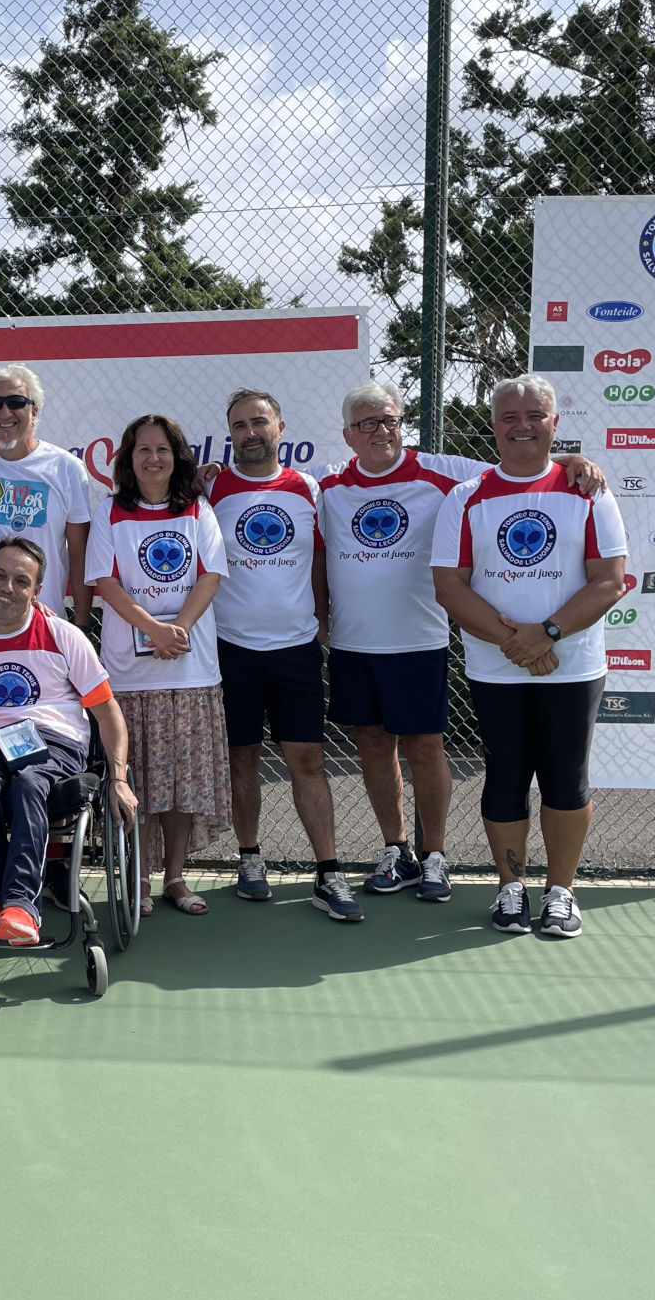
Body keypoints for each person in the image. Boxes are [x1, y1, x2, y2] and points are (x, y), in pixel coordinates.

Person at [320, 381, 604, 904]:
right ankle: (396, 850)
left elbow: (519, 464)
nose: (381, 432)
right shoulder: (327, 486)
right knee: (374, 749)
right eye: (367, 424)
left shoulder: (445, 472)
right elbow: (267, 486)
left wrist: (572, 460)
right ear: (348, 435)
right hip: (354, 645)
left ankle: (435, 857)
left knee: (426, 750)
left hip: (419, 641)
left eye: (389, 420)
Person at [430, 373, 627, 940]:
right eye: (509, 417)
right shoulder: (465, 498)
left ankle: (560, 893)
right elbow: (451, 586)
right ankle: (510, 888)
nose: (522, 427)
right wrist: (518, 643)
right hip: (497, 667)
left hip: (573, 663)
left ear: (554, 424)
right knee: (506, 777)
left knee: (567, 779)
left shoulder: (588, 491)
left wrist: (548, 633)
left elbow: (608, 581)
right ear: (493, 427)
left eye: (534, 416)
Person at [0, 538, 135, 944]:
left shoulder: (63, 635)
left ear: (36, 590)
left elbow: (108, 713)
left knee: (30, 780)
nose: (8, 588)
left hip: (56, 742)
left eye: (21, 581)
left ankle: (20, 905)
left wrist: (118, 778)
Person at [205, 389, 351, 916]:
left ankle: (329, 873)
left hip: (296, 649)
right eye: (240, 425)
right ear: (231, 434)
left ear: (280, 428)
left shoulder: (309, 488)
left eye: (259, 422)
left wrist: (322, 624)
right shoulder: (210, 488)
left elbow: (320, 563)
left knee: (307, 761)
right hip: (231, 649)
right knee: (241, 758)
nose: (250, 433)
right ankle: (249, 858)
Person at [86, 415, 228, 916]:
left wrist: (178, 630)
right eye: (142, 450)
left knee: (182, 782)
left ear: (177, 456)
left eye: (163, 449)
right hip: (130, 674)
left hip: (190, 670)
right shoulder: (109, 513)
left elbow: (211, 575)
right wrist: (152, 629)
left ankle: (175, 878)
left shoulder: (197, 509)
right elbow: (105, 582)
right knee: (140, 781)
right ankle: (139, 881)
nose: (153, 459)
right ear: (127, 460)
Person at [0, 363, 95, 625]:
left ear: (34, 410)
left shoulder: (66, 468)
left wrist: (81, 626)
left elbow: (80, 556)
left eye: (15, 402)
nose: (5, 412)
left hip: (42, 626)